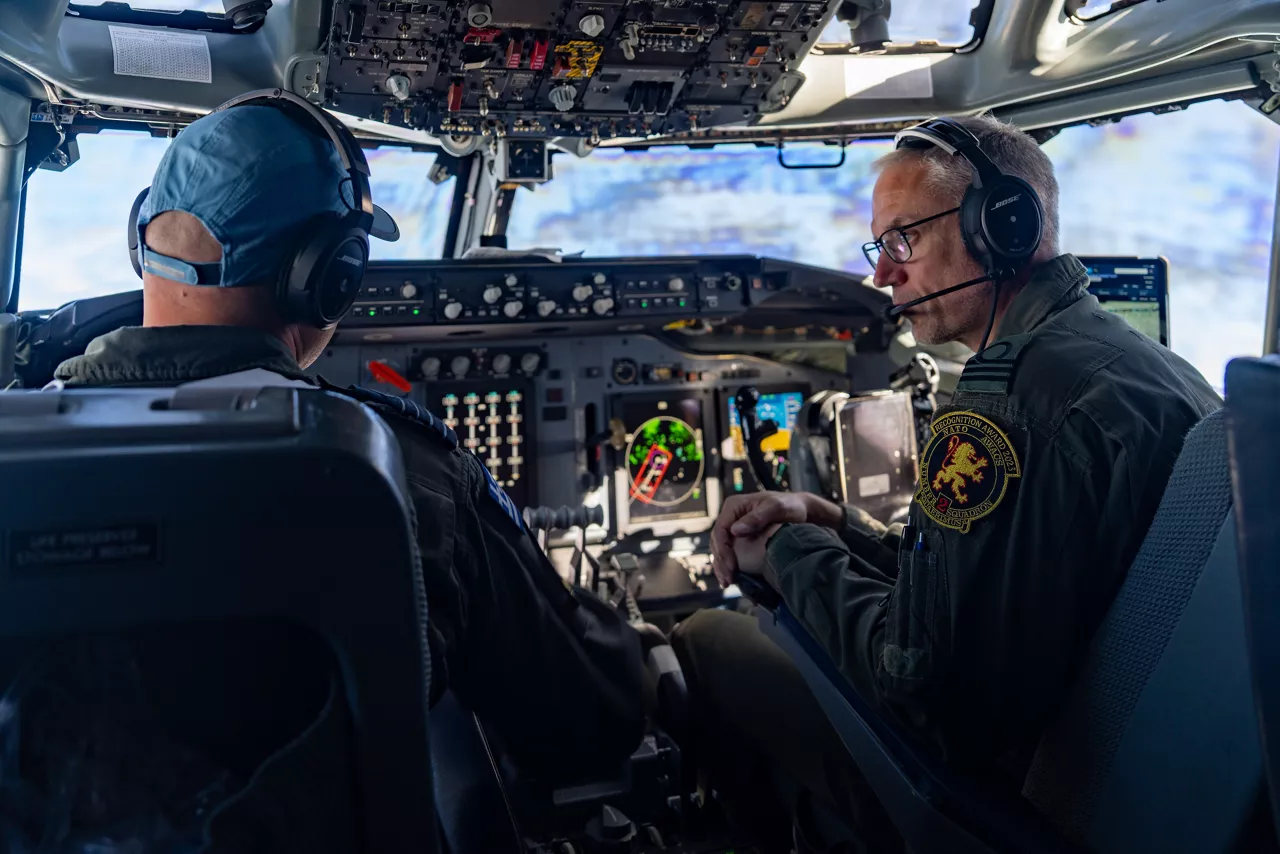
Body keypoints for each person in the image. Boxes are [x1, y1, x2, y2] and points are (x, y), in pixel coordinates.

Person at [51, 95, 646, 787]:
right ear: (327, 276)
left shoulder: (18, 448)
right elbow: (589, 724)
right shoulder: (390, 469)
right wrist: (645, 643)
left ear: (143, 242)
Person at [671, 114, 1221, 852]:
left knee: (708, 636)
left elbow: (920, 691)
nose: (882, 275)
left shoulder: (1005, 406)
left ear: (1001, 227)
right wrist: (834, 522)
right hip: (1141, 768)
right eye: (880, 247)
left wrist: (786, 552)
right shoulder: (1149, 365)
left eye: (904, 240)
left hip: (1015, 793)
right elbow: (988, 580)